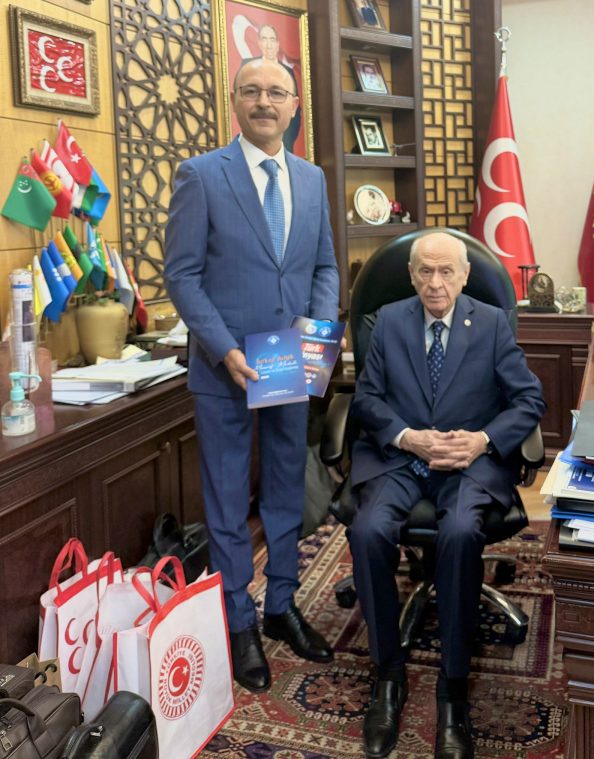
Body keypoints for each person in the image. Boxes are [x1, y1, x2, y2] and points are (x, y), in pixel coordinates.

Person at [164, 59, 340, 694]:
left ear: (294, 105)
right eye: (252, 91)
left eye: (276, 92)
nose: (265, 102)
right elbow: (182, 275)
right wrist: (221, 349)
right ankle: (238, 620)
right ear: (234, 100)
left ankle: (281, 605)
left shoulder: (312, 178)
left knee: (287, 485)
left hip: (290, 355)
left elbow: (323, 266)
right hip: (227, 367)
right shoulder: (201, 175)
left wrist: (318, 333)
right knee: (227, 497)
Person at [348, 231, 545, 759]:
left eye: (446, 272)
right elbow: (366, 399)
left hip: (467, 462)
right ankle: (388, 675)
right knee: (367, 530)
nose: (435, 283)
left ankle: (453, 690)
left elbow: (529, 399)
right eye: (425, 272)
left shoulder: (492, 323)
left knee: (459, 531)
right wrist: (406, 436)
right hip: (401, 458)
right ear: (412, 275)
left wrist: (483, 440)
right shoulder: (388, 322)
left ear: (464, 276)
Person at [251, 24, 301, 153]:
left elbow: (295, 116)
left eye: (272, 39)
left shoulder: (288, 72)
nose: (269, 45)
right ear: (259, 43)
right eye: (264, 39)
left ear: (278, 44)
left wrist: (287, 141)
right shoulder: (248, 66)